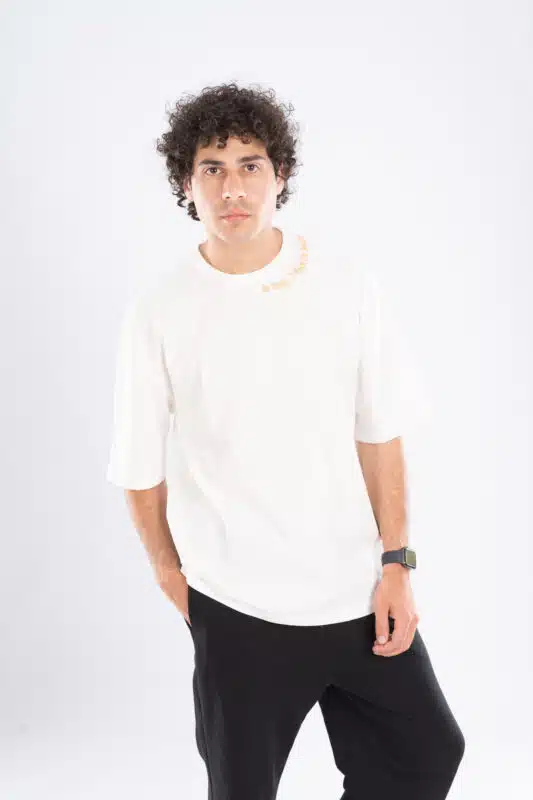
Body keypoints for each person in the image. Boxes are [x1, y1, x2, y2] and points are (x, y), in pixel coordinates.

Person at [106, 81, 465, 799]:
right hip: (238, 605)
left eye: (250, 165)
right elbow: (139, 466)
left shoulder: (346, 285)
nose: (231, 187)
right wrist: (171, 575)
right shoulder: (161, 311)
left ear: (280, 175)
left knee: (425, 754)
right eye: (211, 168)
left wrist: (395, 562)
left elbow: (379, 434)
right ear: (186, 183)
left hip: (355, 593)